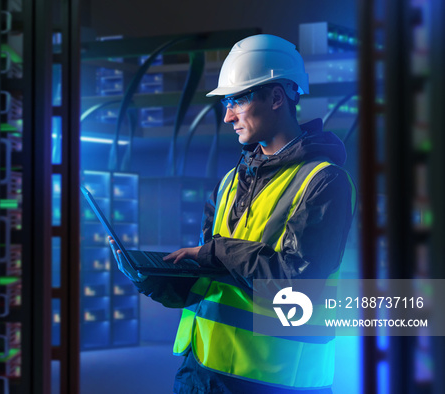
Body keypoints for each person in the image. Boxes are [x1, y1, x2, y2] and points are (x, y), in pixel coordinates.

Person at [109, 34, 356, 393]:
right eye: (227, 102)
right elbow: (212, 280)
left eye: (237, 100)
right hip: (201, 371)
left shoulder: (325, 181)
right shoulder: (230, 181)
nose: (227, 116)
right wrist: (154, 279)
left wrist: (219, 250)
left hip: (273, 379)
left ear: (276, 98)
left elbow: (297, 288)